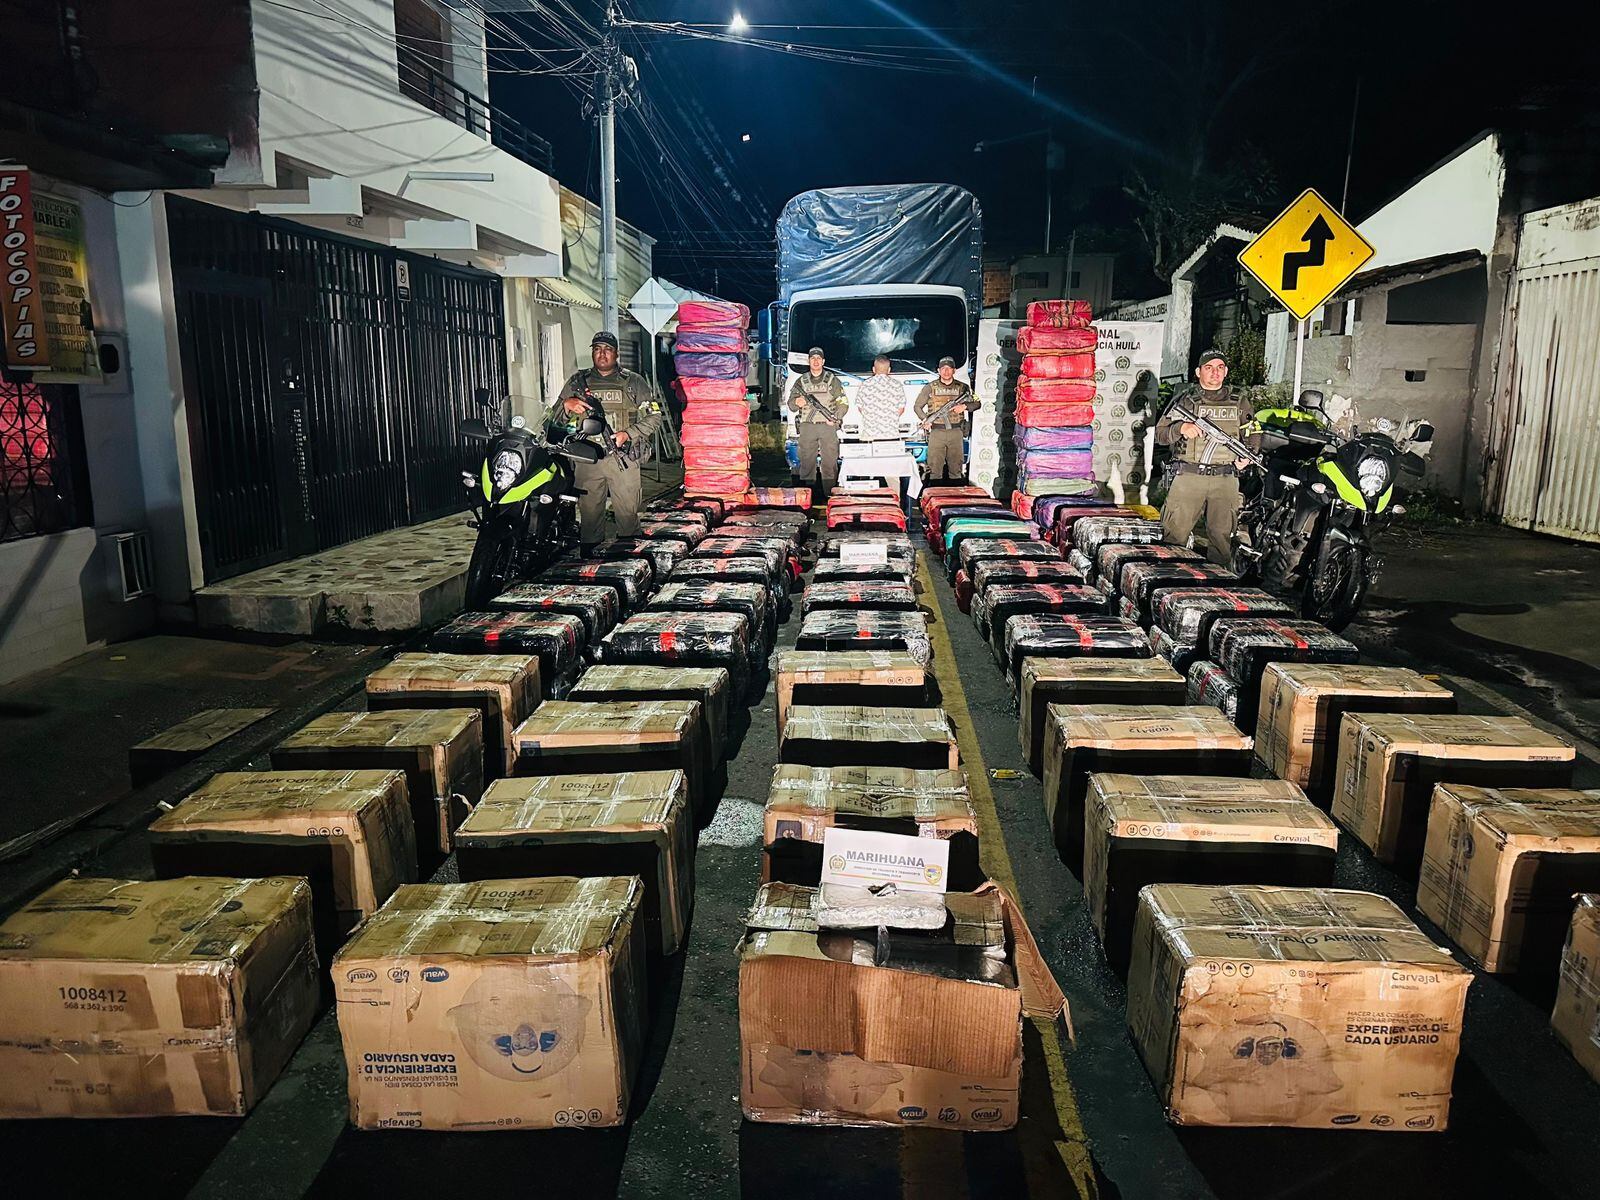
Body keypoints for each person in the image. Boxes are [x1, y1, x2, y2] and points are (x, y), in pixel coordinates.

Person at [556, 330, 663, 554]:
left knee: (627, 515)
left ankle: (626, 566)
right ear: (592, 353)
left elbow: (654, 416)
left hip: (623, 458)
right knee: (589, 517)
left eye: (607, 349)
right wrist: (567, 405)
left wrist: (629, 433)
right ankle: (590, 569)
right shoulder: (577, 382)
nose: (602, 354)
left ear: (616, 354)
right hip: (587, 459)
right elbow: (555, 418)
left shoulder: (634, 382)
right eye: (597, 349)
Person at [1154, 347, 1257, 566]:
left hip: (1226, 478)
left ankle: (1215, 591)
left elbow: (1253, 431)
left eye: (1220, 368)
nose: (1215, 373)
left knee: (1222, 541)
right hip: (1189, 476)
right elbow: (1160, 434)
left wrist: (1248, 456)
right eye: (1209, 368)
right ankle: (1171, 583)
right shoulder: (1185, 400)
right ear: (1198, 372)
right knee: (1174, 538)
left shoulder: (1239, 401)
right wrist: (1181, 427)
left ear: (1226, 371)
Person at [787, 346, 848, 491]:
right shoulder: (801, 382)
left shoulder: (832, 380)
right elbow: (791, 404)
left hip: (827, 426)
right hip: (808, 426)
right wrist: (796, 402)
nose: (815, 361)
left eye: (818, 358)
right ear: (808, 361)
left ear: (823, 361)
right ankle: (808, 494)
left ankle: (829, 493)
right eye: (813, 358)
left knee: (830, 462)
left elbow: (843, 402)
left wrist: (835, 417)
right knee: (807, 461)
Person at [914, 356, 980, 483]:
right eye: (943, 369)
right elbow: (917, 407)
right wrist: (925, 420)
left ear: (954, 370)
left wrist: (965, 406)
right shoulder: (930, 387)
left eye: (949, 368)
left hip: (956, 432)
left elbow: (977, 403)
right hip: (936, 433)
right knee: (934, 470)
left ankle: (955, 498)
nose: (946, 371)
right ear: (938, 370)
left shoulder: (964, 388)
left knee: (956, 470)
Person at [854, 354, 906, 442]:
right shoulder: (897, 385)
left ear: (873, 369)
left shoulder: (865, 385)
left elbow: (860, 408)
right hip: (891, 435)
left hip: (870, 436)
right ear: (889, 370)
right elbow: (901, 409)